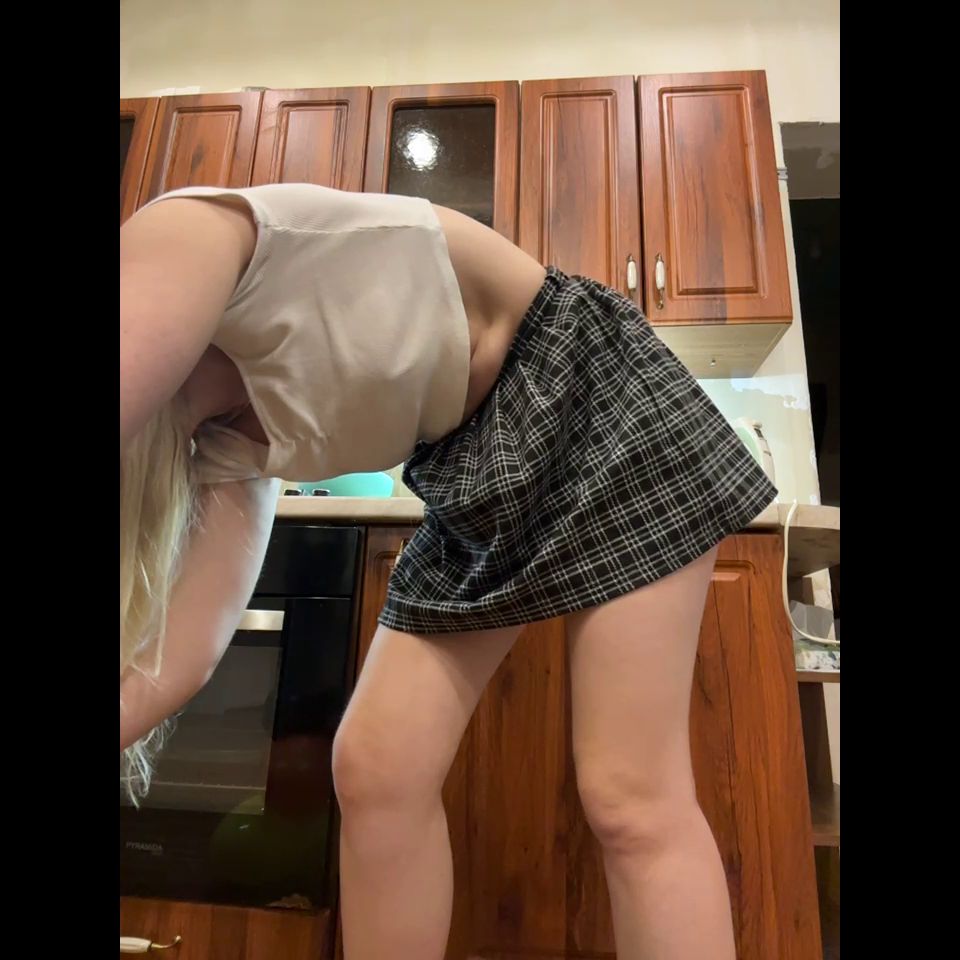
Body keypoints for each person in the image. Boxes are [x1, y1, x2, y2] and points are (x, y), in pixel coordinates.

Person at [119, 183, 777, 960]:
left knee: (630, 795)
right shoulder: (218, 443)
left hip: (582, 384)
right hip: (469, 464)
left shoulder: (182, 236)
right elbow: (183, 658)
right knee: (377, 768)